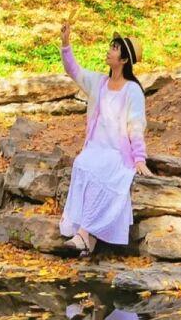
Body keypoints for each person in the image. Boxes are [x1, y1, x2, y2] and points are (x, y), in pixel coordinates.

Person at [59, 20, 150, 255]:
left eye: (114, 48)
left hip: (117, 154)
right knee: (82, 164)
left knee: (100, 169)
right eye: (110, 47)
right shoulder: (99, 82)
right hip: (95, 147)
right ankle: (85, 239)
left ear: (124, 60)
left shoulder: (133, 90)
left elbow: (136, 125)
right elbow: (74, 71)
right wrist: (66, 43)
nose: (109, 51)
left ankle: (83, 236)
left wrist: (139, 158)